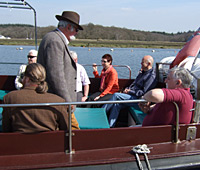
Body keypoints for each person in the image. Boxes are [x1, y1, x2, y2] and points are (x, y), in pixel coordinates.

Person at [2, 63, 79, 133]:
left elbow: (6, 129)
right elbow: (66, 129)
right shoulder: (58, 101)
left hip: (19, 146)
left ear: (27, 79)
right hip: (50, 146)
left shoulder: (9, 98)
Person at [37, 11, 83, 105]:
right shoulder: (55, 41)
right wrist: (67, 102)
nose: (76, 33)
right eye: (76, 30)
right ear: (69, 27)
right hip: (56, 102)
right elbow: (56, 75)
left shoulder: (54, 38)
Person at [103, 55, 157, 127]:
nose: (140, 64)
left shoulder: (151, 76)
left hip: (139, 100)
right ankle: (110, 126)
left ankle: (101, 113)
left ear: (149, 64)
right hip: (132, 96)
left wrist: (129, 91)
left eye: (142, 63)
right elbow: (134, 84)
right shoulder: (142, 73)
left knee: (116, 95)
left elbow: (144, 93)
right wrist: (128, 89)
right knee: (117, 104)